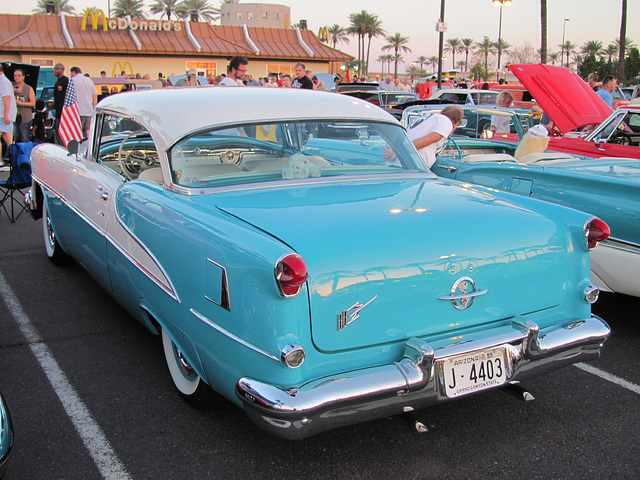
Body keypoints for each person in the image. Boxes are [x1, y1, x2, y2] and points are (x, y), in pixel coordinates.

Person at [70, 66, 97, 140]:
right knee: (89, 130)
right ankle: (89, 145)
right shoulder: (89, 81)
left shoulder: (72, 81)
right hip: (89, 110)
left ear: (73, 72)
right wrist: (94, 107)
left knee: (78, 131)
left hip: (78, 111)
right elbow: (94, 95)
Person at [0, 63, 17, 163]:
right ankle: (13, 159)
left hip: (3, 114)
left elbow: (7, 97)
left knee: (8, 139)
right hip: (3, 114)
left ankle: (12, 159)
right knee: (7, 138)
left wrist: (6, 114)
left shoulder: (4, 82)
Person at [13, 68, 35, 143]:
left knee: (24, 137)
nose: (17, 77)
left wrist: (21, 103)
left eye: (19, 75)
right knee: (14, 136)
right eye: (15, 75)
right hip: (14, 116)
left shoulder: (28, 88)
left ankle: (25, 153)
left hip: (25, 117)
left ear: (23, 77)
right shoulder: (11, 87)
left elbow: (33, 103)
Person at [52, 63, 69, 144]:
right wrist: (48, 109)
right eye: (54, 68)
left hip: (64, 113)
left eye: (57, 68)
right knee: (57, 132)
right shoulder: (57, 83)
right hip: (58, 113)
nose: (55, 70)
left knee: (62, 133)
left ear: (62, 70)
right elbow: (56, 99)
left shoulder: (65, 81)